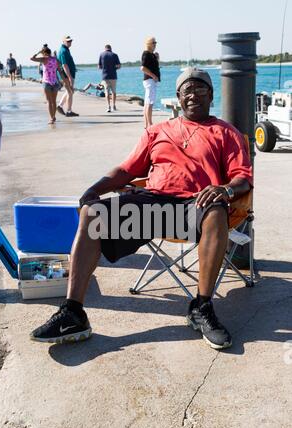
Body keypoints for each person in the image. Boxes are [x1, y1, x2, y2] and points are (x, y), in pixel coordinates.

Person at [30, 68, 253, 351]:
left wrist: (225, 190)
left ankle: (202, 307)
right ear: (178, 98)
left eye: (200, 89)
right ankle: (73, 312)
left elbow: (242, 178)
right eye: (187, 90)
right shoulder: (157, 131)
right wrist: (95, 189)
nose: (193, 95)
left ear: (211, 95)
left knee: (216, 211)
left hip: (193, 209)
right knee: (92, 213)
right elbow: (126, 170)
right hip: (150, 207)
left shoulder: (226, 132)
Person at [30, 45, 68, 124]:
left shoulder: (44, 59)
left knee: (49, 102)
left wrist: (38, 52)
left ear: (44, 53)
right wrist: (65, 81)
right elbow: (61, 72)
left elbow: (32, 58)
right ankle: (53, 117)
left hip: (46, 83)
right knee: (54, 101)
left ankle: (51, 118)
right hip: (55, 82)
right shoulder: (56, 60)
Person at [57, 36, 79, 117]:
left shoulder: (66, 50)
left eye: (70, 41)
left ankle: (60, 106)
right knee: (70, 92)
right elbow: (64, 65)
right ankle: (69, 111)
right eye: (68, 41)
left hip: (68, 74)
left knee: (69, 91)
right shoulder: (63, 51)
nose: (70, 42)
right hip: (66, 75)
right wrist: (69, 77)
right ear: (63, 41)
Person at [141, 37, 160, 128]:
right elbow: (143, 68)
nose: (155, 44)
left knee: (147, 102)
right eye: (153, 43)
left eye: (155, 43)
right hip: (150, 80)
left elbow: (154, 67)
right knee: (149, 103)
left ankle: (146, 124)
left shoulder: (151, 55)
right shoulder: (146, 54)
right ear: (149, 43)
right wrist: (153, 76)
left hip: (151, 80)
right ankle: (150, 124)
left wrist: (157, 58)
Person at [98, 45, 121, 113]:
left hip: (105, 76)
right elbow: (119, 66)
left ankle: (108, 106)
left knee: (107, 92)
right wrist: (114, 68)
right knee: (114, 92)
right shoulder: (114, 55)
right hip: (113, 76)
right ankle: (114, 106)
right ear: (111, 48)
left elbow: (99, 66)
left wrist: (104, 68)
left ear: (105, 48)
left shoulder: (101, 54)